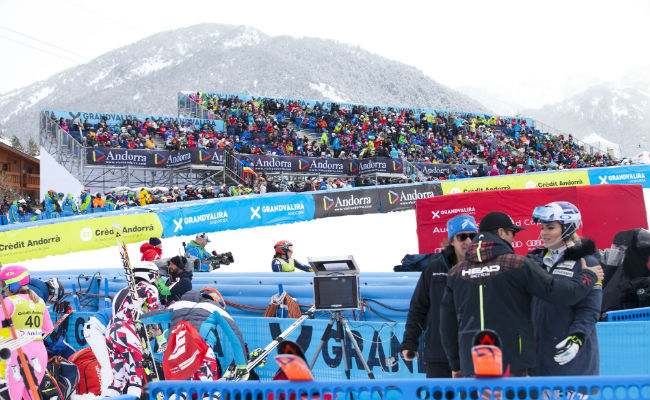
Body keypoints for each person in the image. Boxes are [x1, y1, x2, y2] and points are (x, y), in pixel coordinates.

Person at [440, 211, 604, 378]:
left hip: (472, 365)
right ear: (501, 232)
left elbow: (447, 325)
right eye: (512, 233)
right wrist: (589, 276)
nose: (514, 239)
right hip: (513, 364)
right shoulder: (516, 264)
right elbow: (563, 294)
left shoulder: (456, 272)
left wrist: (456, 364)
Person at [526, 201, 602, 377]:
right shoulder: (534, 262)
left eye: (550, 228)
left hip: (574, 358)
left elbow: (590, 308)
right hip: (540, 359)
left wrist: (577, 338)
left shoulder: (586, 262)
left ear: (568, 228)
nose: (543, 233)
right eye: (543, 228)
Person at [401, 215, 478, 378]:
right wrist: (410, 342)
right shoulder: (434, 269)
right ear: (452, 241)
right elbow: (418, 308)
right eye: (462, 236)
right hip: (439, 355)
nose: (468, 241)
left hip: (474, 354)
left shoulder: (485, 267)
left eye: (473, 236)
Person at [104, 262, 161, 398]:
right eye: (157, 276)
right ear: (150, 275)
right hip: (127, 331)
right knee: (135, 374)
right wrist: (159, 335)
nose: (158, 280)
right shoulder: (149, 288)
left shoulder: (122, 291)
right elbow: (154, 314)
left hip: (111, 332)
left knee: (119, 379)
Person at [0, 265, 54, 400]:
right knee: (30, 396)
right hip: (39, 352)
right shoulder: (40, 302)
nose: (2, 288)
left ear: (13, 284)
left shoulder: (9, 302)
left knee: (14, 396)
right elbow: (48, 329)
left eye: (3, 284)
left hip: (17, 352)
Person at [82, 307, 113, 396]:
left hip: (102, 330)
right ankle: (106, 396)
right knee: (108, 365)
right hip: (95, 330)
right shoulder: (128, 310)